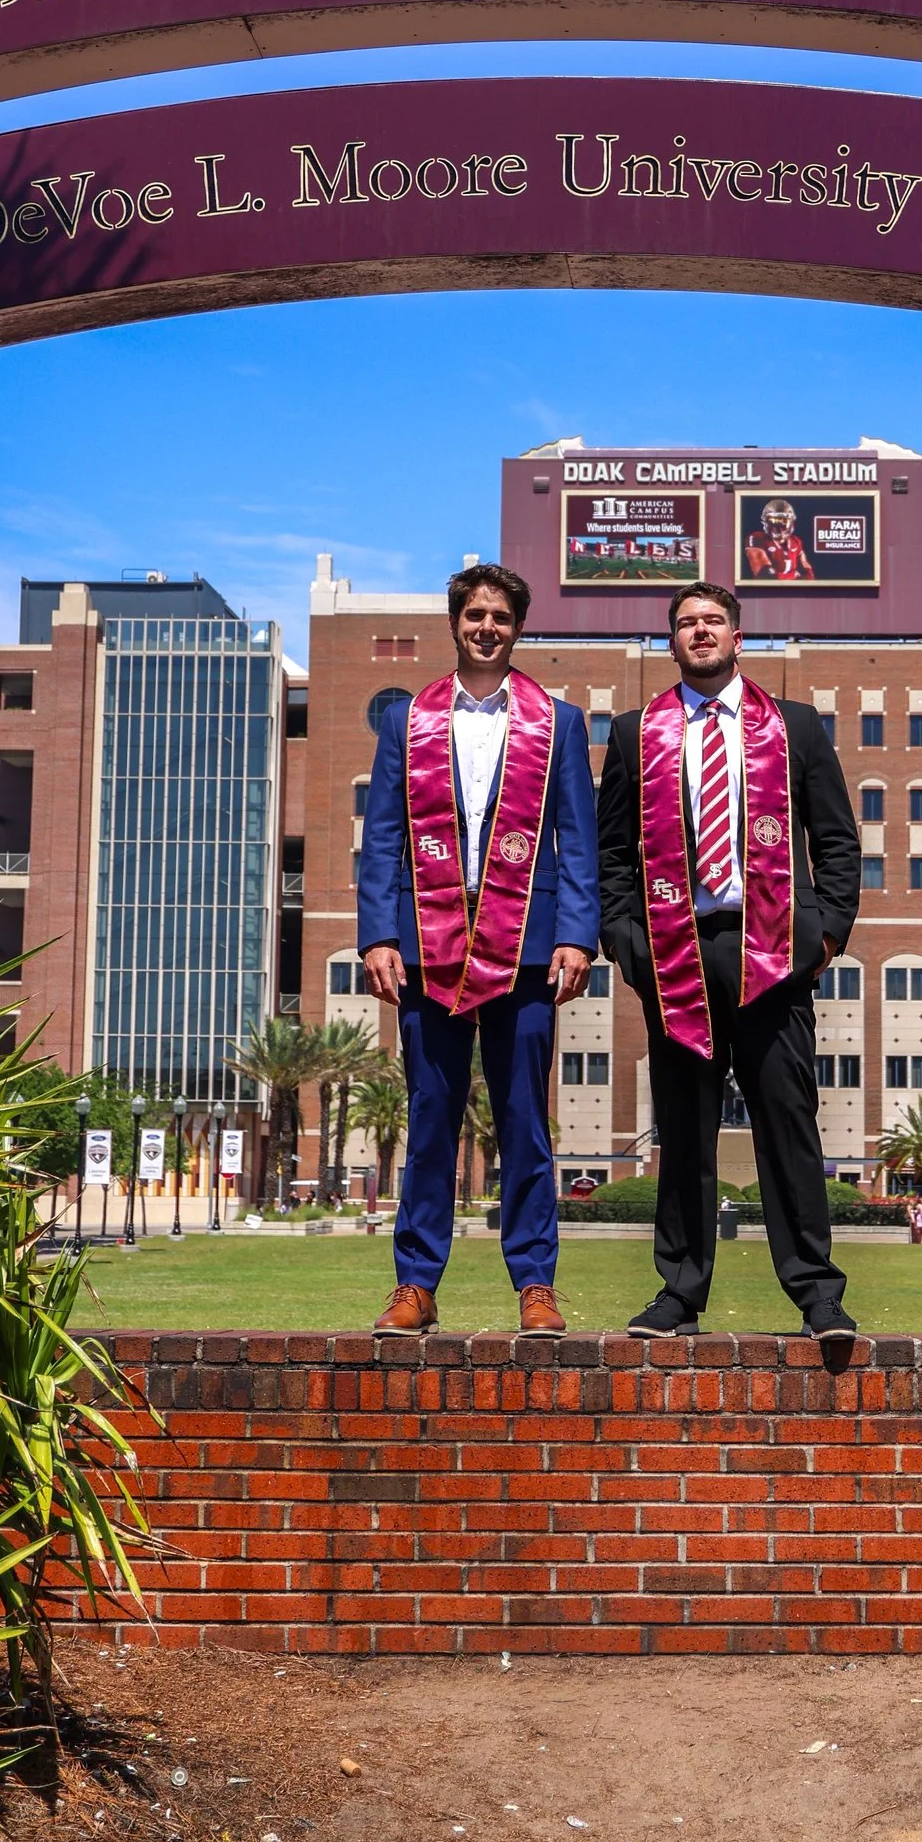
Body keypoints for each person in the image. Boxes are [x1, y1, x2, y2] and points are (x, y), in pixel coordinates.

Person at [597, 580, 863, 1339]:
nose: (701, 633)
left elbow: (838, 840)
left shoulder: (796, 727)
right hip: (677, 948)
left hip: (774, 949)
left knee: (788, 1118)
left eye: (714, 621)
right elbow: (613, 855)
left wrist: (830, 934)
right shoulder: (632, 733)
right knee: (684, 1127)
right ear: (669, 641)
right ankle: (679, 1293)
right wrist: (628, 944)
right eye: (686, 624)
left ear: (738, 637)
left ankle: (817, 1293)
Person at [357, 560, 598, 1334]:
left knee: (525, 1120)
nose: (486, 627)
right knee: (431, 1116)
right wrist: (377, 934)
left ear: (518, 628)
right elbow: (383, 836)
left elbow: (578, 840)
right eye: (474, 615)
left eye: (501, 616)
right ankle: (415, 1285)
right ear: (454, 623)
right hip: (426, 945)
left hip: (526, 947)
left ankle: (536, 1284)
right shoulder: (408, 720)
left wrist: (577, 937)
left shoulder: (557, 721)